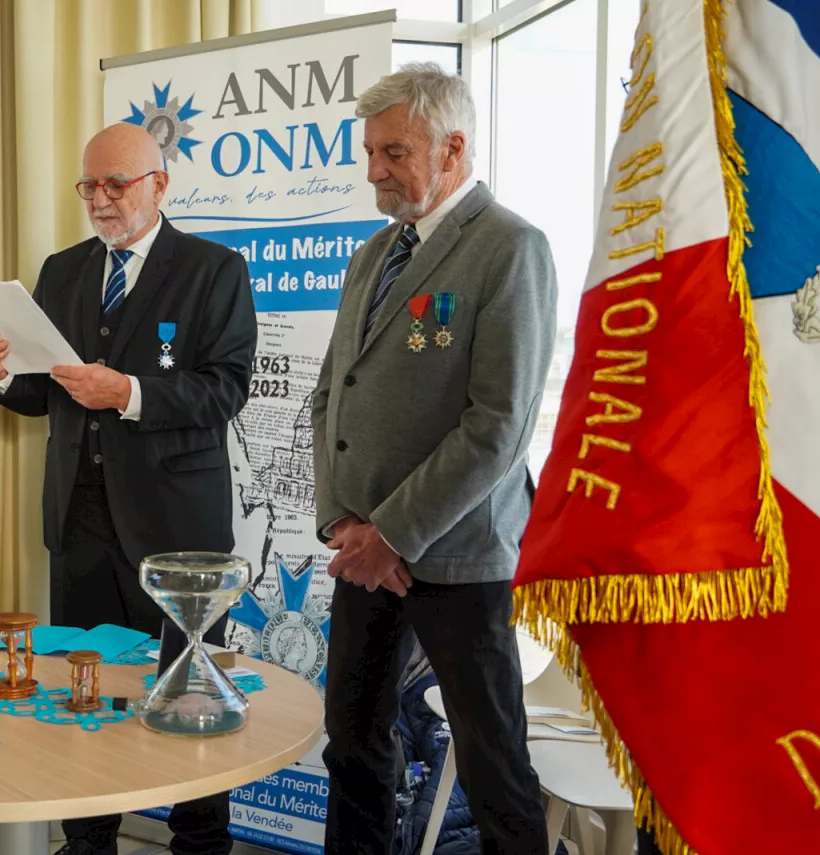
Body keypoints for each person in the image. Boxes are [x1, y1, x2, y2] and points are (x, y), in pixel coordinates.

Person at [0, 122, 256, 855]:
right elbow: (40, 395)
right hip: (79, 521)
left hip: (176, 531)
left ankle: (199, 842)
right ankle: (87, 840)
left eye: (114, 184)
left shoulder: (214, 268)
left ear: (159, 183)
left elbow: (225, 389)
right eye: (87, 186)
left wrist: (126, 391)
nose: (99, 199)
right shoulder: (61, 270)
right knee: (80, 696)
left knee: (189, 695)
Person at [312, 63, 555, 855]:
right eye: (370, 152)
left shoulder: (510, 248)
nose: (373, 171)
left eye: (394, 153)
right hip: (365, 552)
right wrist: (345, 522)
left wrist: (395, 534)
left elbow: (498, 426)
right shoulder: (372, 255)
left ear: (452, 148)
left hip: (458, 556)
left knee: (492, 766)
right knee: (352, 743)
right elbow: (330, 398)